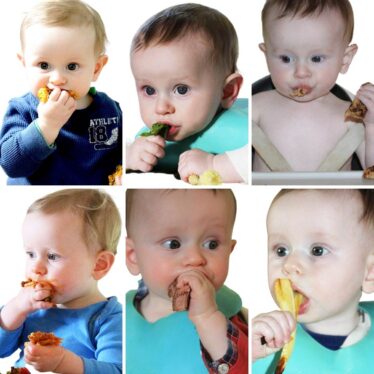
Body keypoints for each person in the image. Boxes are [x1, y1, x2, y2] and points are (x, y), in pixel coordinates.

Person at [0, 0, 122, 185]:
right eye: (44, 65)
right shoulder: (22, 110)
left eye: (72, 66)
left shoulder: (110, 110)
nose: (57, 79)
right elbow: (11, 165)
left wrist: (123, 173)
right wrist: (46, 126)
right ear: (24, 64)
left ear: (96, 69)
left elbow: (122, 155)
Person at [126, 189, 248, 373]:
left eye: (212, 244)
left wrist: (207, 318)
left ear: (230, 251)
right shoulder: (119, 318)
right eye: (172, 244)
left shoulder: (229, 318)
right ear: (133, 256)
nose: (194, 258)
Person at [0, 189, 122, 373]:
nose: (36, 268)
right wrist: (16, 308)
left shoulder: (108, 320)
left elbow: (116, 370)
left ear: (98, 265)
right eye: (31, 254)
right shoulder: (31, 310)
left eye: (52, 256)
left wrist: (62, 362)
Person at [252, 189, 374, 373]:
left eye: (318, 250)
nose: (290, 265)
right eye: (281, 251)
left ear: (370, 272)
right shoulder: (260, 345)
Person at [126, 3, 248, 183]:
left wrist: (215, 165)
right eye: (149, 90)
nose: (161, 108)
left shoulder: (246, 131)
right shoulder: (146, 142)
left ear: (227, 91)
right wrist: (128, 155)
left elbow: (264, 158)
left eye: (181, 90)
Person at [252, 0, 374, 172]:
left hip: (335, 199)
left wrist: (371, 127)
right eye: (286, 59)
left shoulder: (352, 117)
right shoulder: (256, 107)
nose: (301, 72)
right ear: (267, 56)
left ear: (345, 60)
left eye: (316, 59)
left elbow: (372, 171)